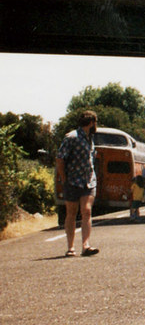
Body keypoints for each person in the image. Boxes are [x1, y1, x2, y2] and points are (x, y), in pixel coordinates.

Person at [55, 110, 100, 257]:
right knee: (71, 213)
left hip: (88, 180)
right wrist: (64, 178)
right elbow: (60, 159)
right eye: (95, 123)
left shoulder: (90, 138)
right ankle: (70, 247)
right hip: (73, 180)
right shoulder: (71, 137)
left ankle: (86, 245)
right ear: (92, 122)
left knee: (86, 210)